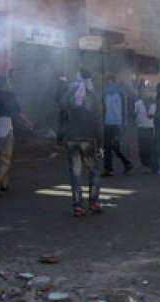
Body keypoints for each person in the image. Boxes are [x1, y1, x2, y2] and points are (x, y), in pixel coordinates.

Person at [59, 69, 103, 217]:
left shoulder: (67, 96)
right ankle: (94, 202)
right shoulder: (94, 97)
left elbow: (62, 117)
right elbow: (98, 121)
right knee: (94, 170)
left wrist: (60, 137)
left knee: (75, 172)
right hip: (88, 139)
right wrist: (101, 143)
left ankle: (78, 205)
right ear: (90, 79)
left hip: (72, 139)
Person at [0, 75, 34, 197]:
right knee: (5, 159)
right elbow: (18, 112)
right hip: (5, 127)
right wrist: (28, 123)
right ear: (6, 84)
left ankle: (3, 184)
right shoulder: (9, 95)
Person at [102, 76, 133, 176]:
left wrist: (124, 123)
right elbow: (104, 110)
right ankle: (109, 169)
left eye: (109, 82)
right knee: (108, 147)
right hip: (108, 124)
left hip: (116, 125)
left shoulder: (121, 95)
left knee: (114, 147)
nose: (108, 85)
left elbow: (124, 110)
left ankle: (126, 163)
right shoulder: (105, 95)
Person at [134, 86, 155, 171]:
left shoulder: (154, 104)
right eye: (145, 92)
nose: (146, 94)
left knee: (149, 147)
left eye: (148, 92)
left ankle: (149, 164)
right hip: (141, 128)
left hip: (150, 128)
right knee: (142, 148)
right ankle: (145, 164)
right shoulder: (138, 103)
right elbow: (134, 114)